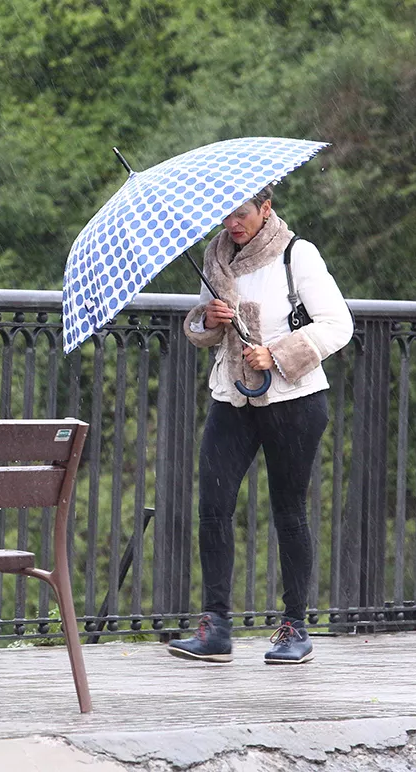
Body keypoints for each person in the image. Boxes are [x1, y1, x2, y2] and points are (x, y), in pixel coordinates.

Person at [168, 184, 353, 665]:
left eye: (242, 214)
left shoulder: (297, 254)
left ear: (265, 209)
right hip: (232, 395)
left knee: (288, 510)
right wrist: (209, 319)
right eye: (226, 216)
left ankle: (295, 626)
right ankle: (216, 628)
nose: (233, 224)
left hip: (294, 399)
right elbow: (203, 334)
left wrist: (276, 352)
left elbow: (338, 324)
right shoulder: (215, 261)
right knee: (213, 505)